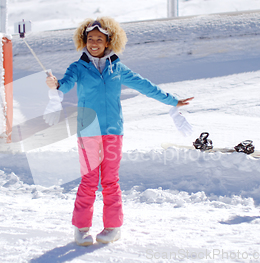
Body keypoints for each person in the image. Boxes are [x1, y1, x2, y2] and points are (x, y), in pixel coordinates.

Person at [45, 17, 193, 246]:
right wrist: (55, 85)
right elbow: (64, 85)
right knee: (89, 181)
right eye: (90, 38)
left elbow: (145, 86)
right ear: (84, 41)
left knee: (111, 181)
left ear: (108, 41)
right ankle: (81, 228)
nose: (94, 43)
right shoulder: (78, 67)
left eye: (99, 39)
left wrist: (172, 101)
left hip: (114, 132)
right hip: (88, 132)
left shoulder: (118, 68)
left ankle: (113, 228)